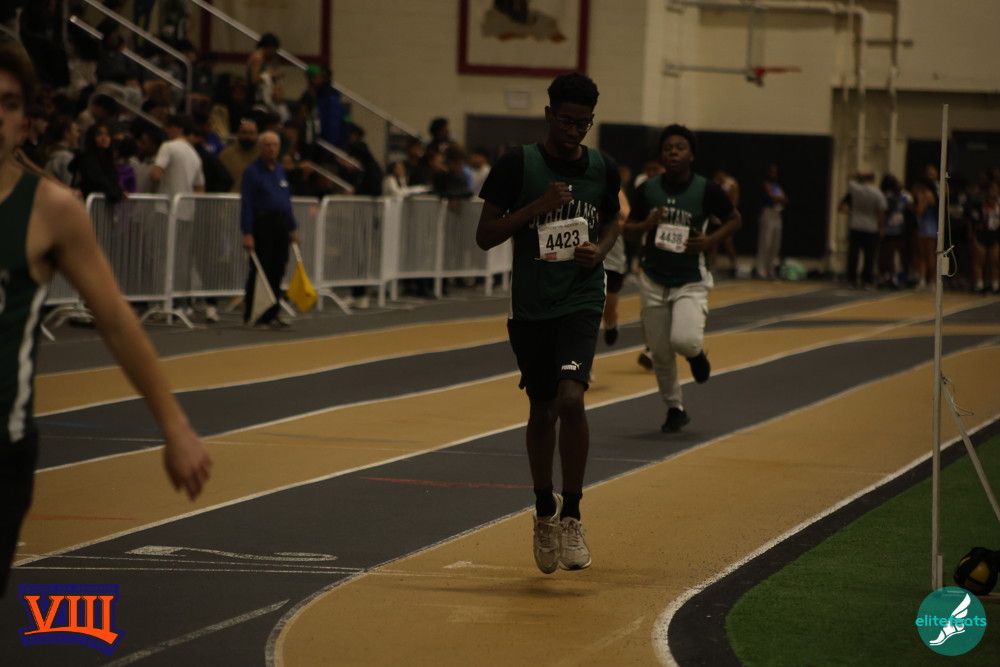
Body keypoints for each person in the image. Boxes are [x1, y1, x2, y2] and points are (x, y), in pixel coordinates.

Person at [0, 43, 211, 597]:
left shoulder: (50, 211)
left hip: (4, 446)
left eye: (9, 103)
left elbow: (116, 319)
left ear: (25, 124)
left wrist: (174, 426)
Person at [476, 72, 621, 574]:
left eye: (584, 123)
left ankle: (573, 514)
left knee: (572, 398)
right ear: (548, 115)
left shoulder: (602, 168)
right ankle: (544, 510)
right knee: (542, 411)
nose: (574, 131)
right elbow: (485, 235)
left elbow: (613, 219)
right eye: (567, 121)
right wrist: (537, 207)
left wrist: (600, 250)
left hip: (582, 297)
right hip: (532, 306)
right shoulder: (517, 164)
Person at [623, 124, 741, 432]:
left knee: (683, 341)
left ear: (691, 155)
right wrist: (644, 226)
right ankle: (674, 408)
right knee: (660, 353)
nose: (673, 152)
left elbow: (735, 219)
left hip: (690, 279)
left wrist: (709, 241)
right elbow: (628, 230)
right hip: (653, 279)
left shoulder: (706, 189)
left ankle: (695, 354)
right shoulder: (648, 189)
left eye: (679, 148)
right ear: (661, 155)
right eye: (668, 148)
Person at [240, 131, 299, 328]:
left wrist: (293, 227)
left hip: (281, 224)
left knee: (278, 269)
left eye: (275, 145)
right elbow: (247, 204)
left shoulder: (280, 170)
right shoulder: (252, 172)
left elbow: (286, 202)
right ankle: (253, 313)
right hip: (262, 223)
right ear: (260, 147)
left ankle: (272, 313)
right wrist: (248, 232)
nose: (272, 149)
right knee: (260, 270)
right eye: (268, 145)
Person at [840, 169, 887, 288]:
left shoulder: (856, 189)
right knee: (869, 255)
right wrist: (880, 227)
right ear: (874, 179)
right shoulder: (877, 193)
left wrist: (859, 175)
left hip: (856, 225)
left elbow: (849, 177)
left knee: (853, 254)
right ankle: (867, 280)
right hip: (871, 226)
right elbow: (881, 212)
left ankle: (851, 279)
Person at [602, 163, 631, 346]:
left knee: (609, 306)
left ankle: (610, 322)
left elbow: (628, 216)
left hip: (612, 257)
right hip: (586, 255)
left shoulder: (614, 191)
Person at [754, 163, 787, 280]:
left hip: (777, 213)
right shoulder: (765, 183)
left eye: (775, 171)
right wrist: (779, 197)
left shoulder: (776, 185)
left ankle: (771, 269)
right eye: (772, 171)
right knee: (765, 242)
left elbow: (784, 199)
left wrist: (779, 198)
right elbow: (772, 196)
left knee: (775, 243)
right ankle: (761, 270)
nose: (774, 173)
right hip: (767, 212)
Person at [879, 174, 911, 288]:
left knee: (903, 254)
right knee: (888, 254)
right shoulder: (888, 197)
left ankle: (905, 276)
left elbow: (911, 212)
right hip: (889, 229)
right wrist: (881, 228)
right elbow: (883, 213)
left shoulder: (906, 197)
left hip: (901, 230)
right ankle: (891, 276)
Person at [710, 168, 740, 277]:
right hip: (715, 218)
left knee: (728, 243)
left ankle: (734, 265)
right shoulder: (714, 183)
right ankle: (712, 268)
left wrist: (729, 213)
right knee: (713, 243)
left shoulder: (732, 183)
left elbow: (735, 200)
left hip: (727, 218)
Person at [219, 118, 260, 192]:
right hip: (231, 197)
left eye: (251, 133)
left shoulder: (263, 155)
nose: (247, 136)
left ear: (257, 135)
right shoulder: (225, 156)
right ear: (238, 134)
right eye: (244, 132)